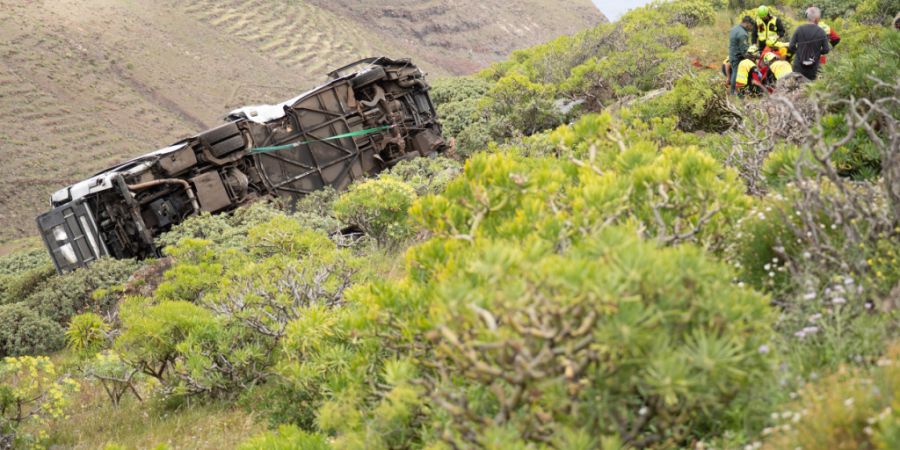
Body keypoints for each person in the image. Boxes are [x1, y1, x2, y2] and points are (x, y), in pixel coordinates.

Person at [789, 7, 831, 80]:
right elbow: (826, 50)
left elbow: (791, 46)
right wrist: (817, 52)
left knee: (797, 87)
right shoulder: (821, 32)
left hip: (798, 66)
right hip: (813, 68)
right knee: (809, 89)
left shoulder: (799, 29)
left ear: (807, 17)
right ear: (817, 18)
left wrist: (799, 51)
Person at [729, 16, 755, 94]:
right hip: (738, 57)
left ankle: (735, 92)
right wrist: (753, 57)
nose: (751, 28)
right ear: (747, 23)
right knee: (736, 74)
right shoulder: (743, 34)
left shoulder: (734, 29)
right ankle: (733, 92)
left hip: (732, 54)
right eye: (751, 26)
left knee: (734, 72)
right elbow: (744, 51)